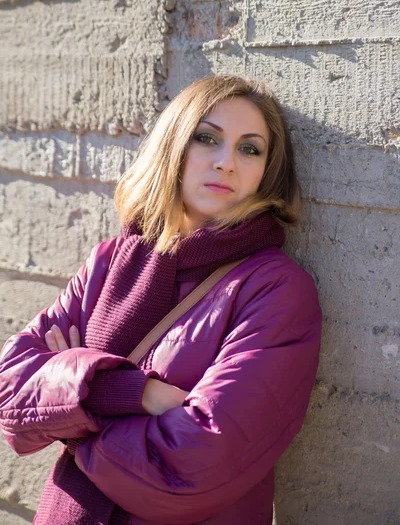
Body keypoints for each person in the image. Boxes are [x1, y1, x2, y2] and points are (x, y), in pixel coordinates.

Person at [0, 75, 322, 524]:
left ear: (267, 171)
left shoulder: (276, 290)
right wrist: (139, 393)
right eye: (206, 138)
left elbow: (192, 464)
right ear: (173, 145)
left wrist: (68, 412)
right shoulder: (110, 261)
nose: (226, 162)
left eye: (250, 148)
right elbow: (11, 395)